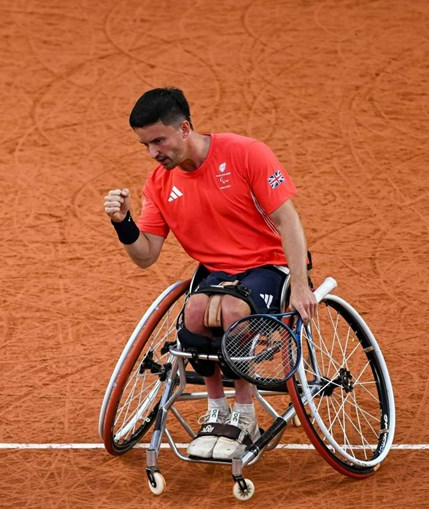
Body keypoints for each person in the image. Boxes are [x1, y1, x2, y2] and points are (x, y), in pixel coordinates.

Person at [104, 87, 319, 460]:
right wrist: (122, 223)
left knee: (232, 311)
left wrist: (300, 285)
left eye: (159, 141)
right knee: (193, 314)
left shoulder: (246, 153)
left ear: (185, 128)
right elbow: (146, 255)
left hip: (269, 265)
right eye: (146, 146)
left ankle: (246, 415)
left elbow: (288, 219)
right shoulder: (159, 184)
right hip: (217, 273)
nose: (154, 153)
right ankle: (218, 411)